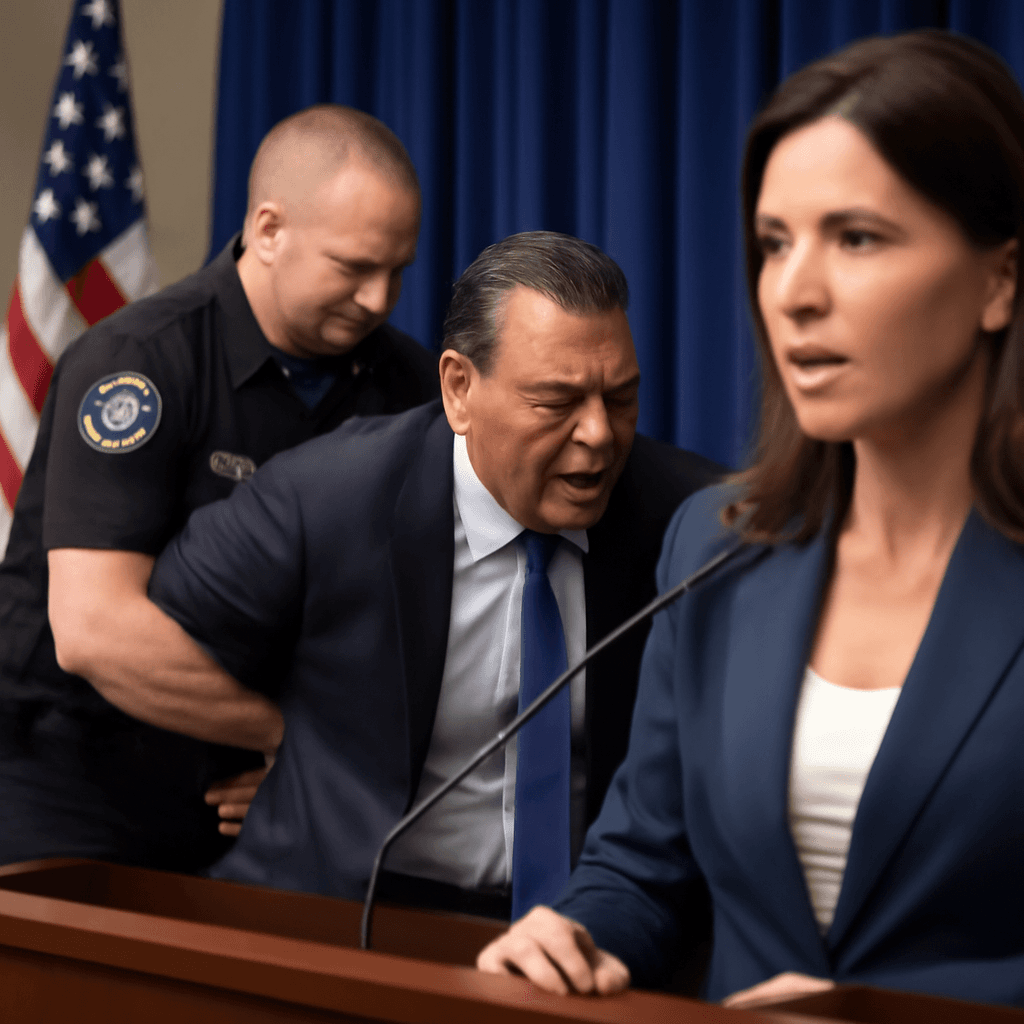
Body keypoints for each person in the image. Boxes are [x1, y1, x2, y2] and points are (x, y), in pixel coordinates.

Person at [477, 30, 1024, 1009]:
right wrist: (576, 931)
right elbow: (642, 863)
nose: (793, 293)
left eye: (856, 237)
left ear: (999, 280)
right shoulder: (714, 543)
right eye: (774, 243)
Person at [147, 231, 721, 915]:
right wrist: (285, 757)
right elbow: (159, 627)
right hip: (351, 915)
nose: (599, 434)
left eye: (620, 398)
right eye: (556, 402)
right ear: (459, 389)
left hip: (580, 929)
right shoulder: (330, 497)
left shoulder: (688, 519)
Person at [0, 104, 439, 873]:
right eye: (353, 267)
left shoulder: (409, 388)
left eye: (398, 270)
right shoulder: (139, 361)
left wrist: (301, 765)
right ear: (268, 232)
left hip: (243, 779)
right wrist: (290, 740)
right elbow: (93, 629)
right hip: (66, 767)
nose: (379, 298)